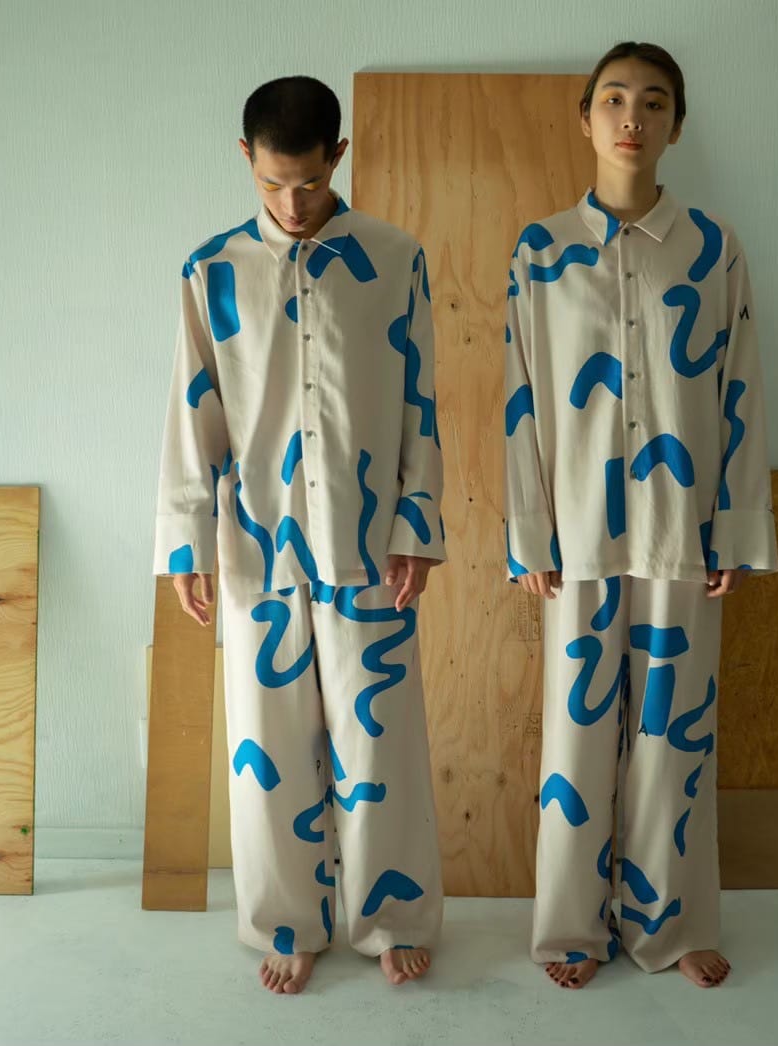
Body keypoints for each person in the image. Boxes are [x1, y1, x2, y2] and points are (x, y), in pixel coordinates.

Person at [154, 75, 446, 995]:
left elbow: (419, 400)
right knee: (269, 747)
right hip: (257, 540)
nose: (291, 203)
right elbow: (193, 411)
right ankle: (289, 921)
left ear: (338, 157)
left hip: (368, 538)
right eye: (273, 184)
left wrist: (418, 526)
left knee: (379, 742)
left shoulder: (395, 258)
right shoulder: (211, 270)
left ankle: (391, 916)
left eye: (310, 183)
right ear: (247, 160)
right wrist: (186, 542)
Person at [503, 42, 778, 989]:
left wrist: (735, 527)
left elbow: (740, 388)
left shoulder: (712, 248)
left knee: (675, 738)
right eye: (615, 99)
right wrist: (528, 534)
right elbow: (520, 397)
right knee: (575, 740)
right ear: (585, 118)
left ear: (676, 125)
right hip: (576, 533)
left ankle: (671, 926)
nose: (633, 117)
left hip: (681, 531)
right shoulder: (540, 251)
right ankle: (570, 930)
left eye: (654, 102)